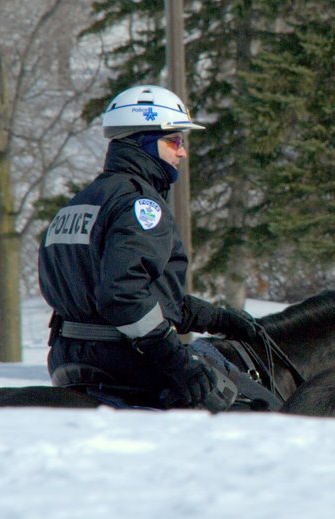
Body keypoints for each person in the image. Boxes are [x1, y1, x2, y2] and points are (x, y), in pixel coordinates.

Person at [39, 85, 259, 412]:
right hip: (123, 360)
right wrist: (179, 363)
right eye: (174, 141)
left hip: (67, 356)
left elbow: (138, 295)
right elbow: (124, 297)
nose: (182, 152)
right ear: (143, 142)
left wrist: (218, 319)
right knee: (253, 407)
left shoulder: (79, 203)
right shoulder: (140, 204)